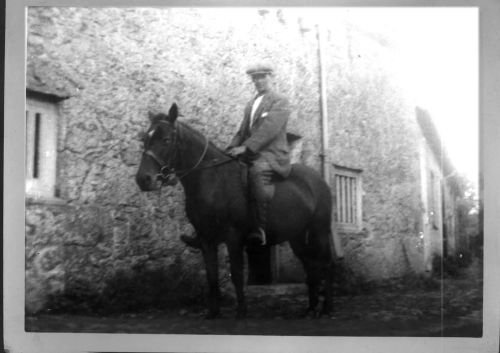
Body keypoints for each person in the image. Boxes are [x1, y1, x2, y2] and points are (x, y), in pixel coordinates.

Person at [181, 63, 292, 248]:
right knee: (224, 171)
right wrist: (230, 148)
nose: (259, 81)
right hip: (250, 152)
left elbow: (269, 129)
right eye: (255, 78)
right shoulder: (251, 104)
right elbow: (243, 131)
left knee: (255, 173)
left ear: (272, 77)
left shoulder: (280, 101)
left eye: (263, 77)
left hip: (270, 155)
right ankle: (206, 230)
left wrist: (246, 148)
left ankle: (259, 228)